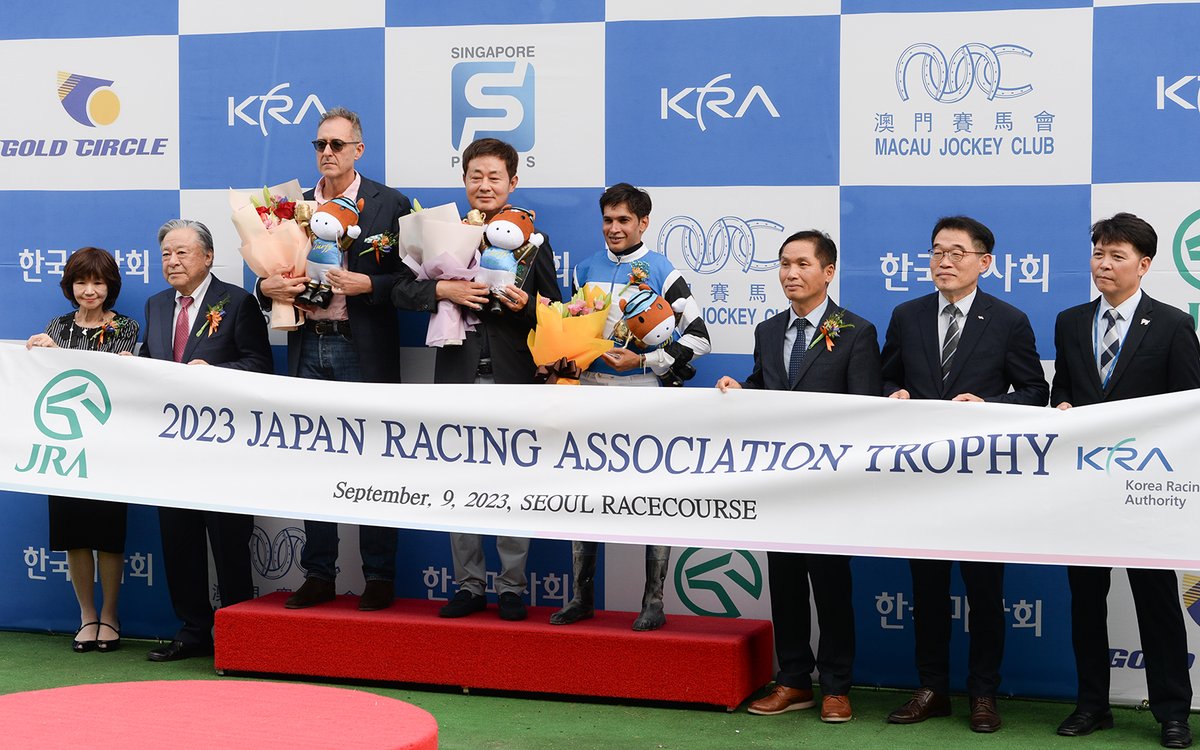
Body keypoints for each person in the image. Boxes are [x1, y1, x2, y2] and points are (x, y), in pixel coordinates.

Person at [881, 215, 1048, 732]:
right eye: (936, 252)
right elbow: (884, 379)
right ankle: (931, 688)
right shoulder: (906, 316)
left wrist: (989, 405)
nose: (944, 261)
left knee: (983, 589)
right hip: (922, 479)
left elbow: (1035, 392)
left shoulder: (1008, 320)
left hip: (982, 481)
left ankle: (983, 693)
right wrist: (894, 396)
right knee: (926, 589)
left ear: (984, 262)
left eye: (956, 252)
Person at [390, 137, 560, 622]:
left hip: (514, 379)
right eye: (475, 177)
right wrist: (443, 288)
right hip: (458, 377)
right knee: (461, 483)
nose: (484, 186)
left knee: (513, 488)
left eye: (495, 178)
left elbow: (556, 313)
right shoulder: (441, 231)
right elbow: (402, 289)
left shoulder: (531, 242)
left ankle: (510, 587)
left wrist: (525, 305)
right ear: (464, 180)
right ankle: (467, 584)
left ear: (513, 182)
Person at [716, 230, 880, 723]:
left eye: (803, 264)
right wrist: (737, 391)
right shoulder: (768, 330)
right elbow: (765, 388)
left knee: (831, 588)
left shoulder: (857, 331)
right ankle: (792, 680)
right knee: (784, 585)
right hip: (778, 485)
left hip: (830, 487)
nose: (791, 273)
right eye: (784, 264)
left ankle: (835, 686)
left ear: (827, 272)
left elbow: (865, 413)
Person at [1052, 213, 1197, 750]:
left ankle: (1172, 712)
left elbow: (1190, 409)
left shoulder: (1173, 325)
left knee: (1157, 602)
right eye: (1098, 255)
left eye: (1117, 256)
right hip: (1084, 489)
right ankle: (1092, 705)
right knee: (1085, 600)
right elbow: (1061, 392)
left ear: (1145, 264)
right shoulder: (1070, 322)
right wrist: (1061, 406)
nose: (1104, 265)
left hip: (1147, 490)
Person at [258, 106, 412, 612]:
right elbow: (269, 275)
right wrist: (268, 286)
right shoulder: (291, 207)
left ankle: (380, 576)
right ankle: (319, 573)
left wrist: (371, 283)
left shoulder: (389, 205)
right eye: (320, 145)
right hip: (306, 341)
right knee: (313, 461)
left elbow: (415, 282)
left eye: (337, 146)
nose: (327, 153)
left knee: (374, 463)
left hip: (359, 344)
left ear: (358, 150)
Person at [551, 183, 710, 631]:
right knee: (582, 497)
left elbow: (700, 339)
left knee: (650, 498)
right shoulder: (584, 268)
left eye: (624, 220)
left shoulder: (663, 270)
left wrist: (644, 359)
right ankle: (581, 597)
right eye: (608, 220)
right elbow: (572, 331)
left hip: (644, 393)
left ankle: (654, 601)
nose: (614, 228)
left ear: (643, 223)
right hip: (590, 392)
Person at [137, 219, 272, 661]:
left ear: (208, 257)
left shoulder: (236, 302)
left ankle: (236, 634)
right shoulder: (156, 305)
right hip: (170, 449)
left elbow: (259, 366)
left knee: (229, 543)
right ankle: (193, 630)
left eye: (181, 253)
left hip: (224, 448)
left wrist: (215, 374)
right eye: (165, 255)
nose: (172, 262)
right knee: (179, 543)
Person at [26, 247, 140, 653]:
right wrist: (37, 354)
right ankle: (85, 616)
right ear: (69, 285)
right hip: (64, 448)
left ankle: (110, 615)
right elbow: (45, 384)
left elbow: (104, 377)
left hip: (108, 447)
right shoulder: (56, 327)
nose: (89, 290)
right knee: (75, 535)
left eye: (97, 282)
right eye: (81, 282)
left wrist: (62, 358)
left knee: (108, 535)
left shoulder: (125, 327)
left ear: (110, 286)